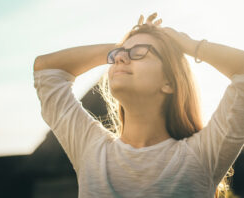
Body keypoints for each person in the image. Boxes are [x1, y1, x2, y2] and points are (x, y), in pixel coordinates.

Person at [33, 12, 244, 198]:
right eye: (119, 55)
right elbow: (47, 69)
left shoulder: (203, 155)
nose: (121, 59)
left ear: (169, 82)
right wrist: (121, 47)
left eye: (140, 52)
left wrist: (189, 45)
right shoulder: (90, 149)